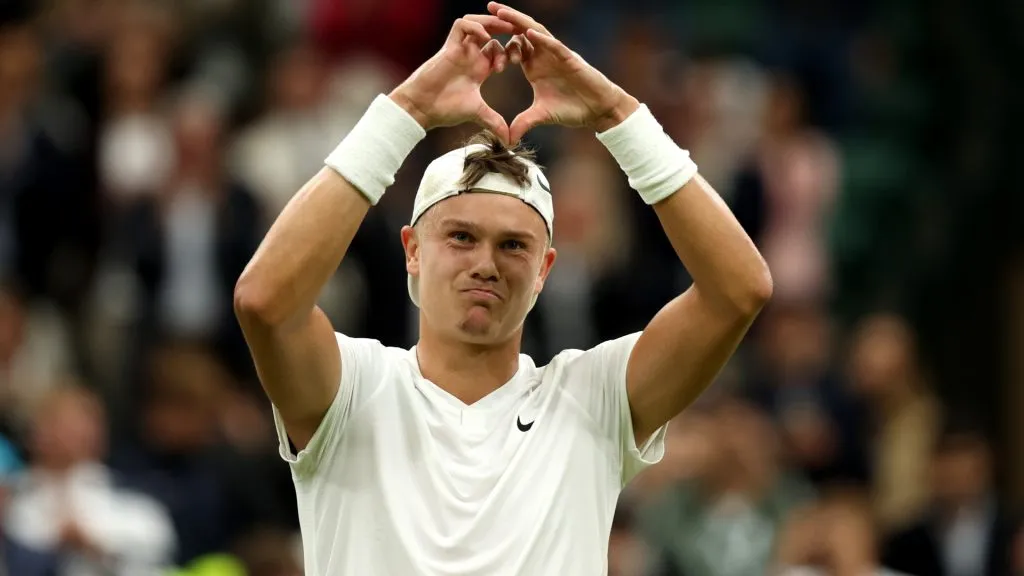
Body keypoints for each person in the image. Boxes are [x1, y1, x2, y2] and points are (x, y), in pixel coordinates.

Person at [233, 3, 772, 574]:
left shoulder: (592, 399)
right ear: (412, 250)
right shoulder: (352, 387)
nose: (486, 263)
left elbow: (739, 290)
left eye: (514, 246)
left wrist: (618, 116)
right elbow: (264, 302)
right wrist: (407, 111)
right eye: (461, 237)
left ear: (545, 268)